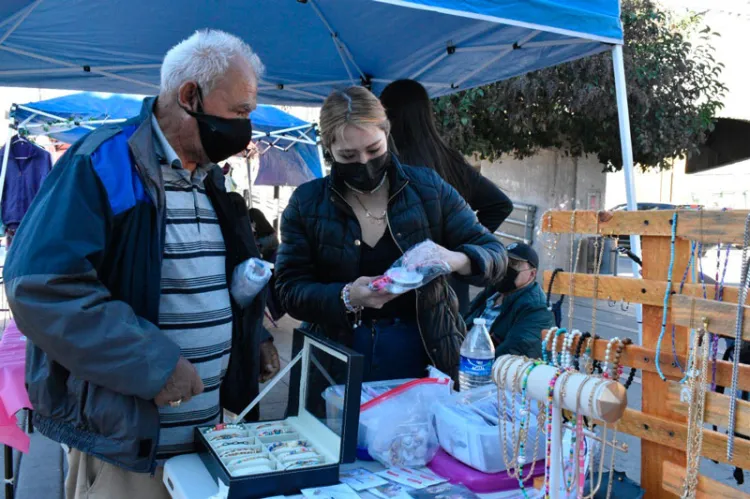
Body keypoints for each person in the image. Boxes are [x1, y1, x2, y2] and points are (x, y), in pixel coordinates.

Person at [4, 30, 280, 499]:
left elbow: (212, 277)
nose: (245, 129)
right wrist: (150, 363)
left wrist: (256, 337)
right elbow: (40, 287)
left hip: (207, 442)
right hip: (128, 456)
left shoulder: (211, 180)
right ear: (190, 95)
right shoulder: (104, 162)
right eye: (239, 113)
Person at [275, 86, 508, 381]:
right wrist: (346, 297)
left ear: (387, 133)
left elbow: (495, 254)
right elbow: (288, 290)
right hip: (334, 360)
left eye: (374, 150)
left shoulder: (427, 188)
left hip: (425, 354)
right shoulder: (306, 203)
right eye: (348, 155)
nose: (364, 163)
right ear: (328, 149)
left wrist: (453, 259)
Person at [379, 79, 513, 314]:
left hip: (402, 288)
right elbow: (500, 204)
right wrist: (458, 249)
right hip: (450, 290)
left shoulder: (393, 164)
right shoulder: (450, 159)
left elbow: (500, 205)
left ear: (390, 115)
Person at [464, 243, 554, 359]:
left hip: (485, 370)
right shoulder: (492, 293)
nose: (505, 268)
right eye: (504, 261)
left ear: (532, 274)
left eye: (514, 264)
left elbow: (514, 352)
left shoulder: (537, 309)